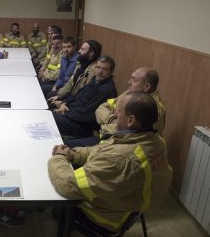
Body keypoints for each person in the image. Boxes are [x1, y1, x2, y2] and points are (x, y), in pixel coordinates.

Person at [48, 91, 173, 234]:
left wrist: (58, 157)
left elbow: (68, 186)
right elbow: (101, 150)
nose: (114, 117)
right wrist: (74, 154)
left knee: (57, 204)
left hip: (105, 215)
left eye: (117, 113)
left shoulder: (119, 159)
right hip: (125, 200)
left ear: (130, 120)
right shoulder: (151, 139)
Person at [67, 67, 166, 147]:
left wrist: (107, 122)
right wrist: (112, 118)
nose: (128, 82)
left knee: (70, 146)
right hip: (105, 136)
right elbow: (101, 107)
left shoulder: (154, 108)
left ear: (146, 87)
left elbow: (125, 134)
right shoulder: (130, 93)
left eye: (134, 80)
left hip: (117, 144)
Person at [52, 56, 117, 138]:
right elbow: (77, 94)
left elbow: (88, 115)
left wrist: (65, 113)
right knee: (49, 108)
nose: (100, 71)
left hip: (81, 126)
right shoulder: (95, 80)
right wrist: (65, 103)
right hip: (72, 114)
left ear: (110, 72)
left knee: (49, 117)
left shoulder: (106, 90)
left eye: (104, 69)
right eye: (98, 67)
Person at [47, 40, 102, 107]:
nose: (79, 51)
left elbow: (82, 93)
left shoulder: (94, 70)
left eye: (82, 49)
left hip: (75, 102)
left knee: (51, 103)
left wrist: (64, 102)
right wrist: (59, 96)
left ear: (91, 53)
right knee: (51, 96)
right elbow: (70, 82)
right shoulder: (81, 63)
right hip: (70, 96)